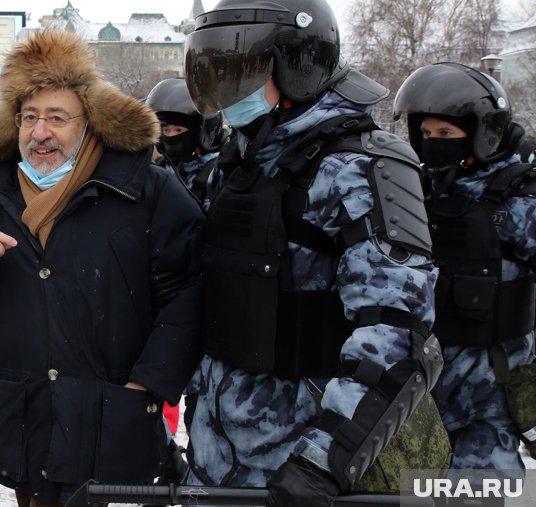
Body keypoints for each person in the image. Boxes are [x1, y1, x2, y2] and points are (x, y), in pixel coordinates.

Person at [182, 1, 450, 505]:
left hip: (301, 461)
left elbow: (397, 334)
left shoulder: (360, 165)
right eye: (216, 73)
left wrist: (325, 461)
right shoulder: (240, 160)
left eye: (240, 74)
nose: (226, 90)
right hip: (219, 457)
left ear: (299, 64)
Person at [0, 29, 204, 506]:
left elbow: (195, 293)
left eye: (57, 117)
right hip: (20, 416)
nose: (40, 133)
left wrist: (149, 382)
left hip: (107, 417)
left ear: (88, 122)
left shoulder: (144, 188)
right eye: (29, 117)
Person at [392, 62, 536, 469]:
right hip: (422, 391)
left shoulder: (516, 199)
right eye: (426, 134)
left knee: (477, 497)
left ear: (481, 133)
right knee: (415, 494)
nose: (434, 143)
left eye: (446, 134)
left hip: (490, 394)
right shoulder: (415, 191)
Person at [145, 77, 228, 211]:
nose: (171, 136)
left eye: (179, 130)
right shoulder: (158, 171)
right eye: (166, 130)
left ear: (200, 133)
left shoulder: (219, 174)